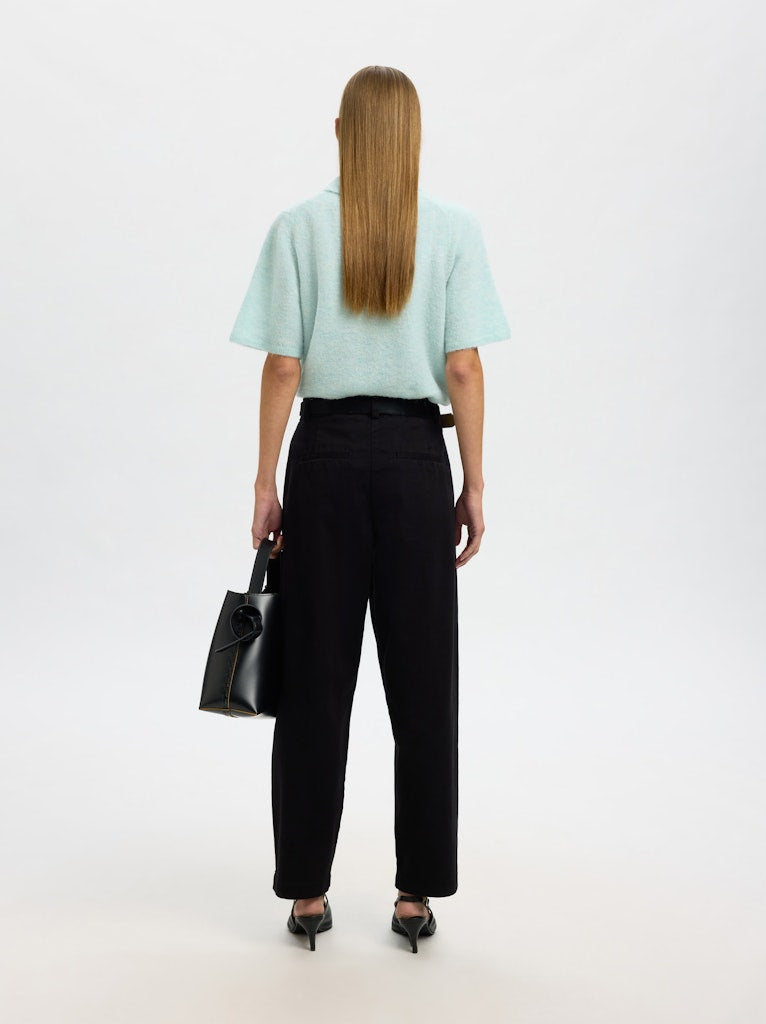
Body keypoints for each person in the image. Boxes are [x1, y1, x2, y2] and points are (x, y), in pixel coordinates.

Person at [228, 65, 511, 952]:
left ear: (341, 131)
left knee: (315, 681)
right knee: (424, 684)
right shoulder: (454, 231)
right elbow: (463, 366)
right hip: (418, 463)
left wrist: (267, 483)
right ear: (414, 136)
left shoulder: (299, 228)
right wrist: (472, 480)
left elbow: (284, 365)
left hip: (326, 459)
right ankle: (415, 895)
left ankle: (308, 895)